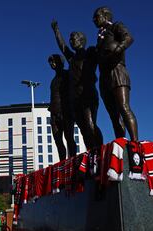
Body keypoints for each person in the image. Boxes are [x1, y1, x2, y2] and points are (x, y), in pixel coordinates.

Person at [51, 20, 103, 150]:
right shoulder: (71, 58)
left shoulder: (90, 53)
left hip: (88, 94)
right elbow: (62, 46)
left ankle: (100, 148)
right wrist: (56, 31)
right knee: (83, 129)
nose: (71, 41)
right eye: (70, 39)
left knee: (90, 124)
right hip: (76, 99)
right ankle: (91, 151)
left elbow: (101, 50)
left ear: (81, 40)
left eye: (73, 39)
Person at [93, 6, 139, 141]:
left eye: (96, 16)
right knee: (113, 115)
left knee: (124, 107)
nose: (94, 20)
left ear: (105, 16)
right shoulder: (100, 37)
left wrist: (118, 49)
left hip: (117, 71)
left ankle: (135, 143)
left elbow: (129, 38)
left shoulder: (116, 26)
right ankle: (121, 143)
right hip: (104, 76)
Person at [48, 54, 77, 160]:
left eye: (53, 61)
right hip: (54, 113)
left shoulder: (67, 75)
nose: (52, 63)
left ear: (61, 61)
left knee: (69, 138)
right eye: (50, 62)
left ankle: (73, 160)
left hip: (65, 112)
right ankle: (63, 163)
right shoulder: (53, 81)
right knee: (58, 140)